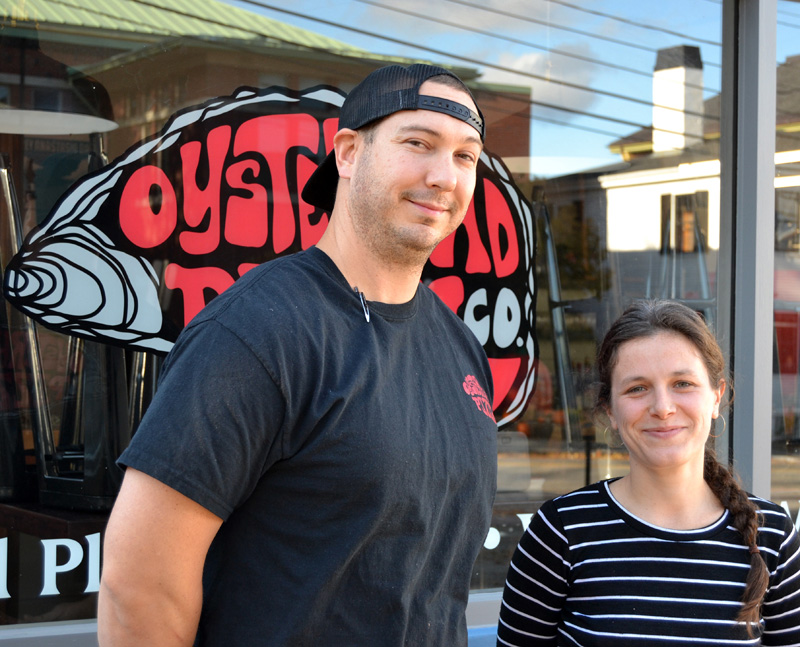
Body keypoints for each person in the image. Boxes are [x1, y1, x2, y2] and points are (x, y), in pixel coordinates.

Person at [98, 63, 497, 646]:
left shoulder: (459, 346)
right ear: (348, 152)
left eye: (466, 156)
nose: (444, 176)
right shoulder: (259, 331)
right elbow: (139, 589)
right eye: (418, 143)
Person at [497, 299, 800, 646]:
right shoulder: (562, 531)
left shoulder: (771, 536)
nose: (663, 408)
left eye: (682, 383)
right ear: (610, 410)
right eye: (637, 388)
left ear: (717, 397)